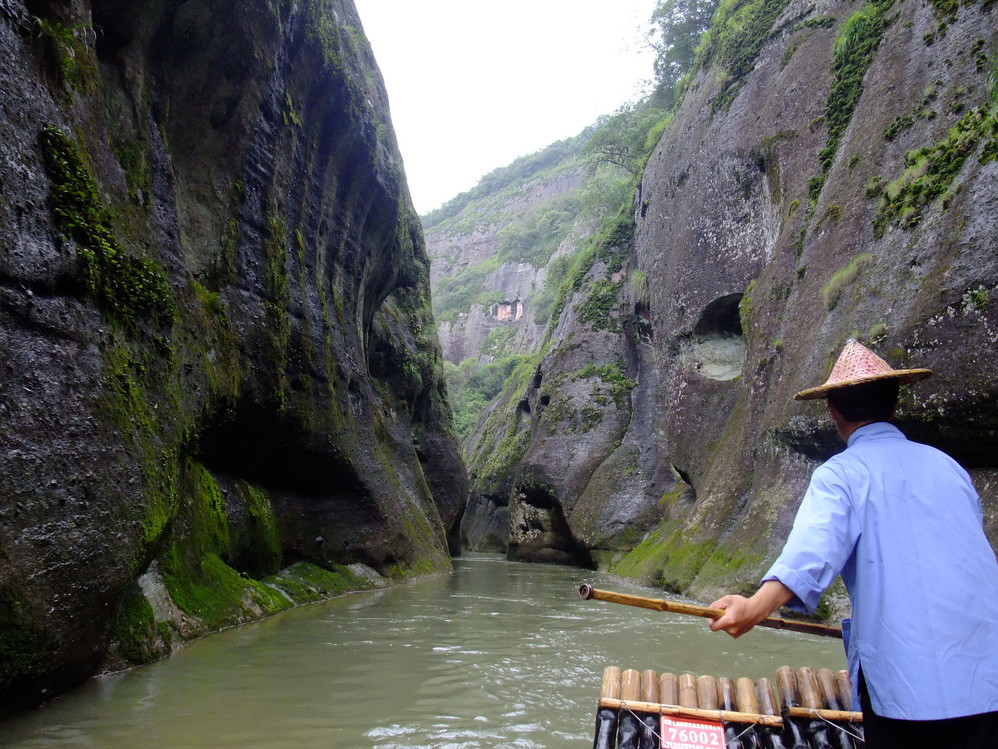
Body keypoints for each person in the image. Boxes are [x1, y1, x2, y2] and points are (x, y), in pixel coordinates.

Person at [708, 339, 998, 748]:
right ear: (894, 406)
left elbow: (812, 554)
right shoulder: (948, 467)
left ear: (833, 411)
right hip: (988, 677)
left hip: (909, 692)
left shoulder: (841, 474)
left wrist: (753, 608)